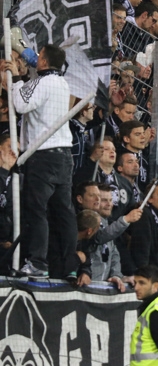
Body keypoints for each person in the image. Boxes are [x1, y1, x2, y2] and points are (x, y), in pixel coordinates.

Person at [4, 45, 76, 279]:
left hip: (43, 155)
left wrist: (15, 77)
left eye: (39, 56)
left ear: (44, 61)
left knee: (36, 211)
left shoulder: (42, 82)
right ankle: (70, 265)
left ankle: (37, 262)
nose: (35, 58)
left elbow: (20, 104)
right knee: (63, 212)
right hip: (64, 155)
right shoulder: (61, 82)